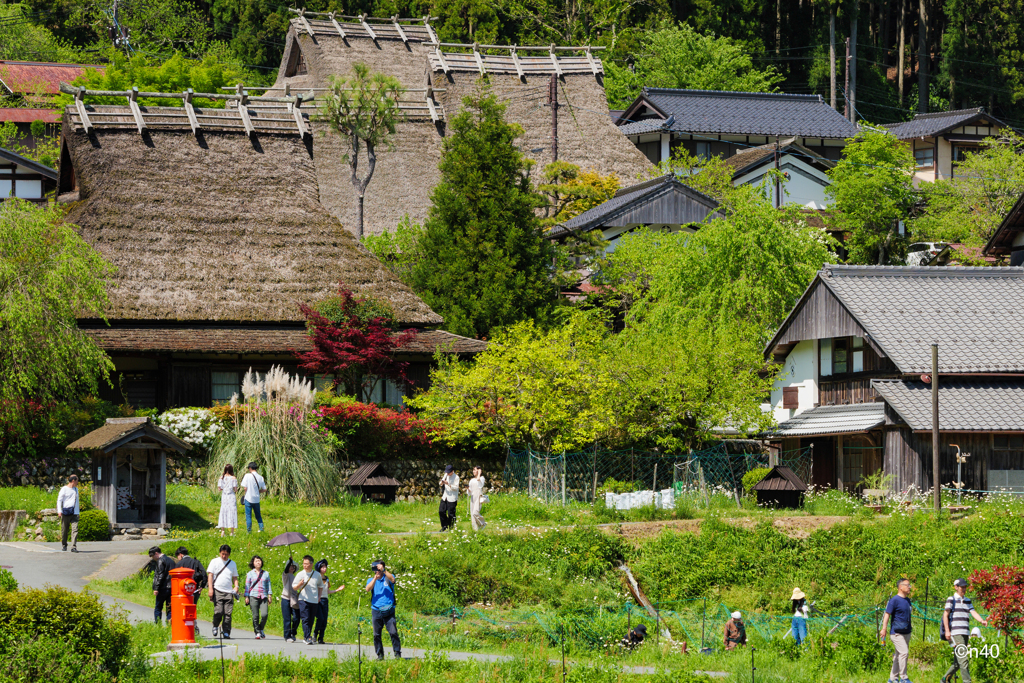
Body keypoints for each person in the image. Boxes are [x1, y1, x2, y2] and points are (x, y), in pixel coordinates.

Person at [942, 578, 989, 683]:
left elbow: (973, 612)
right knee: (964, 660)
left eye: (965, 587)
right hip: (956, 633)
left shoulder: (967, 600)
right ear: (956, 587)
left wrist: (982, 621)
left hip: (965, 633)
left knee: (958, 663)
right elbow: (945, 615)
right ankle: (967, 681)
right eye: (962, 587)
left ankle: (945, 679)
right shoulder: (951, 599)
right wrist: (947, 631)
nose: (964, 589)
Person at [365, 559, 401, 660]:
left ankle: (397, 653)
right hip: (376, 610)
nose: (377, 570)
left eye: (379, 568)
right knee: (376, 634)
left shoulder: (388, 577)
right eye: (375, 568)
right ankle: (380, 655)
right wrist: (375, 579)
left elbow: (393, 580)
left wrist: (384, 570)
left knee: (393, 632)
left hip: (389, 610)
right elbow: (368, 589)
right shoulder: (371, 580)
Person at [880, 578, 914, 683]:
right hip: (896, 633)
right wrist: (884, 629)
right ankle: (903, 678)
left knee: (898, 656)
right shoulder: (894, 600)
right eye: (908, 585)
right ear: (901, 587)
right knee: (904, 653)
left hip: (906, 632)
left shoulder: (908, 600)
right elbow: (887, 614)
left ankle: (892, 678)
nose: (909, 587)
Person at [207, 544, 239, 639]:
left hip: (229, 591)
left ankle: (226, 631)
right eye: (222, 554)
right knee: (219, 611)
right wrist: (210, 589)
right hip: (217, 590)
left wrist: (236, 587)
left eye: (226, 554)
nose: (224, 556)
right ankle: (215, 626)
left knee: (228, 613)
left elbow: (235, 577)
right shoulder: (214, 562)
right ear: (220, 553)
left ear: (229, 554)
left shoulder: (232, 564)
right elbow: (210, 575)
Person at [292, 555, 324, 645]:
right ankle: (307, 637)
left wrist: (319, 597)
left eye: (306, 564)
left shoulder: (317, 575)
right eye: (303, 563)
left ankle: (307, 636)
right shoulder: (300, 574)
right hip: (303, 599)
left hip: (314, 600)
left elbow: (320, 586)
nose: (304, 565)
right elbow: (294, 587)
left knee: (311, 619)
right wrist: (299, 584)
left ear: (311, 564)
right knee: (305, 618)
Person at [175, 547, 206, 635]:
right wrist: (202, 586)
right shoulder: (196, 562)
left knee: (183, 610)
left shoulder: (180, 563)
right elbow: (204, 574)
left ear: (180, 554)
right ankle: (194, 626)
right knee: (192, 609)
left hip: (182, 591)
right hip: (194, 589)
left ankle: (185, 628)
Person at [313, 559, 345, 644]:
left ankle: (321, 638)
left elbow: (327, 591)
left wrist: (337, 590)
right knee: (320, 618)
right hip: (318, 600)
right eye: (322, 567)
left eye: (325, 567)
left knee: (324, 619)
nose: (324, 568)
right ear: (319, 568)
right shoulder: (316, 577)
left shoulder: (326, 579)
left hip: (325, 600)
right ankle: (315, 634)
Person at [245, 555, 273, 639]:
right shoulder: (250, 574)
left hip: (263, 596)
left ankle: (261, 629)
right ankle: (257, 632)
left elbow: (269, 585)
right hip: (253, 596)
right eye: (256, 561)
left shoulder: (266, 573)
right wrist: (246, 597)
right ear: (253, 563)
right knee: (255, 616)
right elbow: (247, 585)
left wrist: (270, 595)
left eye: (259, 560)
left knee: (264, 614)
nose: (258, 562)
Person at [149, 546, 176, 625]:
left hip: (163, 588)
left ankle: (158, 624)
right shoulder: (170, 560)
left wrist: (156, 588)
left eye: (152, 556)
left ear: (156, 553)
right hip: (172, 587)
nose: (152, 558)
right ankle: (169, 624)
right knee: (169, 607)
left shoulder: (160, 561)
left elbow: (160, 575)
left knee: (158, 607)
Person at [239, 462, 267, 533]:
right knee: (258, 516)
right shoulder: (260, 477)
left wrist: (247, 491)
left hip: (248, 498)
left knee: (248, 516)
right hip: (256, 499)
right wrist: (258, 491)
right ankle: (262, 529)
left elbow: (245, 488)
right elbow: (264, 489)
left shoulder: (247, 476)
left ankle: (249, 531)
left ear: (250, 468)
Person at [56, 475, 80, 553]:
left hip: (74, 513)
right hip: (66, 512)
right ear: (73, 480)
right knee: (64, 530)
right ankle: (64, 545)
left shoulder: (76, 489)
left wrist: (78, 512)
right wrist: (59, 511)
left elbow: (77, 502)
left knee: (75, 530)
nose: (77, 482)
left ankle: (73, 547)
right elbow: (59, 500)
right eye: (77, 480)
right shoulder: (64, 489)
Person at [281, 558, 301, 643]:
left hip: (294, 599)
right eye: (291, 566)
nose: (292, 568)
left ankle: (293, 632)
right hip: (285, 598)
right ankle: (287, 636)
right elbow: (286, 570)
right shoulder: (285, 575)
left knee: (297, 617)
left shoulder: (296, 577)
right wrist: (289, 561)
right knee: (287, 618)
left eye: (294, 567)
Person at [217, 465, 239, 536]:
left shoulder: (221, 478)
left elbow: (219, 489)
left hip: (224, 496)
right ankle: (232, 532)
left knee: (223, 511)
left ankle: (223, 531)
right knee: (232, 511)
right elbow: (235, 490)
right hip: (231, 496)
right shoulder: (233, 478)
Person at [438, 465, 459, 531]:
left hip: (452, 497)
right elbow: (440, 483)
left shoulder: (456, 477)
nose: (447, 474)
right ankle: (444, 525)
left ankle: (452, 527)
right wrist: (442, 482)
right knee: (441, 511)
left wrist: (448, 484)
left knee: (451, 514)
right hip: (445, 496)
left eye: (449, 472)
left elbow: (456, 488)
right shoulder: (446, 475)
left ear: (452, 471)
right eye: (447, 472)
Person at [467, 466, 487, 531]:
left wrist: (479, 473)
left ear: (479, 471)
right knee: (472, 514)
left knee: (475, 512)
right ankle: (475, 530)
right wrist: (468, 489)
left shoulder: (482, 478)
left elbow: (480, 484)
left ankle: (483, 523)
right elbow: (470, 491)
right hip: (473, 497)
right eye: (473, 470)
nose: (473, 471)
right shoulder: (471, 480)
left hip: (478, 496)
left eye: (475, 470)